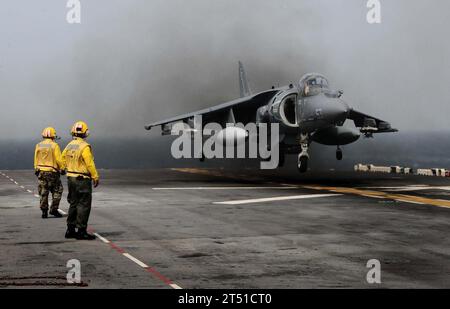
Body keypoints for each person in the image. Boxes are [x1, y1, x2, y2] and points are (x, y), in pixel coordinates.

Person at [62, 121, 99, 240]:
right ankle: (81, 231)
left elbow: (62, 160)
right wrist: (95, 176)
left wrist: (64, 169)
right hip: (82, 179)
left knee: (73, 203)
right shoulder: (85, 146)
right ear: (85, 133)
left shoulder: (69, 145)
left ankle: (70, 229)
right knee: (83, 204)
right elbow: (89, 163)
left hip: (70, 178)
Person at [34, 127, 65, 219]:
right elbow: (58, 159)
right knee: (57, 191)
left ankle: (44, 211)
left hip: (41, 171)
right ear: (53, 136)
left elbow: (36, 158)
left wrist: (36, 168)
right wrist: (63, 168)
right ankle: (54, 210)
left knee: (43, 191)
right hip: (52, 173)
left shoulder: (38, 145)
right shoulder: (54, 145)